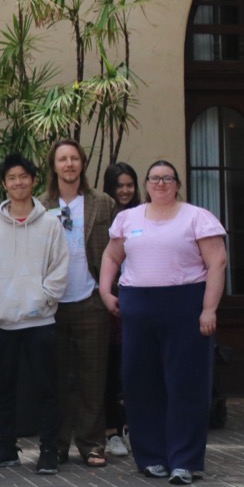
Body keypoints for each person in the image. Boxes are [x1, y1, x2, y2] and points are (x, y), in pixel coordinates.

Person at [99, 160, 227, 486]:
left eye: (167, 178)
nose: (160, 184)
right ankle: (151, 457)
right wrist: (104, 291)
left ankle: (185, 460)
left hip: (185, 305)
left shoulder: (197, 217)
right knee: (141, 383)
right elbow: (112, 256)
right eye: (154, 178)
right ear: (147, 184)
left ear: (177, 184)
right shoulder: (128, 218)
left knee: (186, 384)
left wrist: (209, 309)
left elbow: (217, 262)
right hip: (138, 307)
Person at [0, 152, 68, 475]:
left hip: (39, 320)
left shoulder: (50, 224)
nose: (18, 183)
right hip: (2, 320)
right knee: (4, 387)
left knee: (46, 388)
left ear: (33, 180)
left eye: (23, 177)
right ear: (4, 184)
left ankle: (48, 450)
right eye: (11, 178)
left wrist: (42, 300)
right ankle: (8, 447)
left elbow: (59, 268)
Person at [43, 138, 119, 469]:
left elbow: (118, 251)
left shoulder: (103, 203)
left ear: (83, 163)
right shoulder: (40, 205)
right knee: (57, 378)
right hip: (52, 304)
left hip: (91, 299)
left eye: (75, 158)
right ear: (54, 165)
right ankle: (58, 443)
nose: (69, 164)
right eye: (63, 159)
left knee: (92, 376)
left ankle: (91, 444)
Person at [100, 161, 143, 457]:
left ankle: (134, 426)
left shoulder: (145, 215)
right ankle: (111, 431)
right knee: (110, 367)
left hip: (140, 299)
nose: (125, 191)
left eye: (129, 185)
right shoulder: (103, 217)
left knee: (137, 368)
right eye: (119, 186)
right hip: (110, 300)